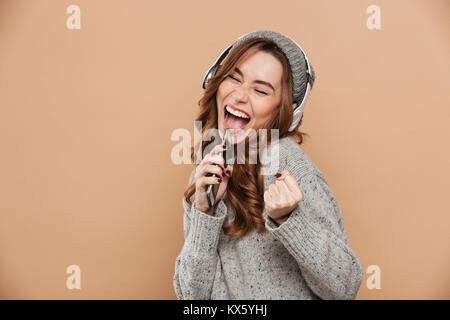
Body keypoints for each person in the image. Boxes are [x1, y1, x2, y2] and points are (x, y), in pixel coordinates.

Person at [173, 30, 363, 299]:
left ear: (284, 111)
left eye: (261, 90)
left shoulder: (288, 165)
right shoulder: (206, 173)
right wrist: (204, 212)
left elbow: (344, 287)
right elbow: (192, 298)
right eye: (234, 78)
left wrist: (288, 219)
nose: (239, 95)